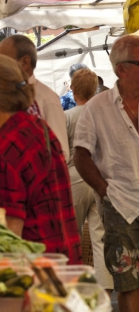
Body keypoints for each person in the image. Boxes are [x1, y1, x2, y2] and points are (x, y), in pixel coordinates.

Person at [0, 54, 81, 263]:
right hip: (62, 253)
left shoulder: (4, 147)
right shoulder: (38, 127)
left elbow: (6, 230)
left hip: (34, 267)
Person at [74, 35, 139, 311]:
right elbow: (81, 154)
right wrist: (105, 191)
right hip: (121, 206)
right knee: (128, 284)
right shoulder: (97, 108)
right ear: (122, 69)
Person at [65, 68, 113, 290]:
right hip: (100, 178)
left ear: (73, 90)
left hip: (74, 178)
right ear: (95, 90)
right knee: (100, 235)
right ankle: (105, 286)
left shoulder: (67, 116)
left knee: (71, 234)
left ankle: (72, 285)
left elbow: (63, 153)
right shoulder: (103, 116)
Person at [0, 35, 69, 162]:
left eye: (2, 61)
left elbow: (61, 153)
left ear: (24, 62)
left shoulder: (46, 99)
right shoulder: (3, 95)